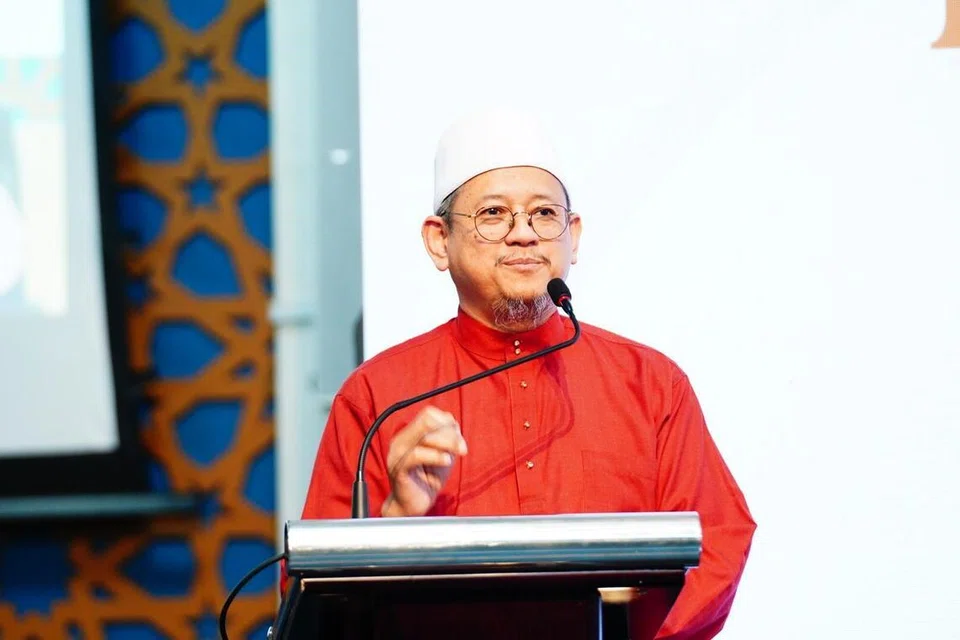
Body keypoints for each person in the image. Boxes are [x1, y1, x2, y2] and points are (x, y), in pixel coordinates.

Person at [297, 109, 756, 639]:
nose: (523, 235)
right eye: (493, 214)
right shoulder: (380, 396)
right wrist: (397, 516)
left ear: (573, 237)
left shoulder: (649, 383)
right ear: (438, 241)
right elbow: (312, 591)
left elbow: (719, 539)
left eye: (543, 214)